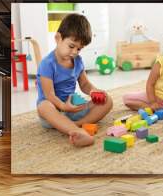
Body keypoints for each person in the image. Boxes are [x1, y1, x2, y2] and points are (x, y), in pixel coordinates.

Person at [36, 14, 113, 147]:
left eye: (79, 49)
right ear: (58, 38)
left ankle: (75, 125)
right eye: (71, 46)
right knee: (43, 107)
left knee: (108, 100)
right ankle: (75, 130)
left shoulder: (78, 61)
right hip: (53, 111)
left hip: (73, 108)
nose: (75, 52)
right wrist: (63, 106)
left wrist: (94, 92)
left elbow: (84, 84)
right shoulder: (47, 64)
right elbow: (49, 95)